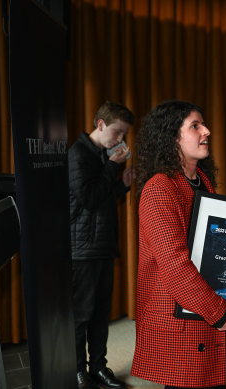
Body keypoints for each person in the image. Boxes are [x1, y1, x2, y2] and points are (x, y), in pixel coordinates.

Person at [131, 100, 226, 389]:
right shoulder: (159, 189)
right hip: (182, 320)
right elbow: (175, 266)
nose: (207, 131)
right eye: (195, 126)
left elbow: (206, 236)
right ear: (171, 135)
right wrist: (220, 311)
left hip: (201, 310)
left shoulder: (200, 180)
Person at [68, 101, 134, 389]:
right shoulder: (78, 154)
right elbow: (89, 200)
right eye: (118, 133)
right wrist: (112, 166)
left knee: (100, 312)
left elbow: (104, 198)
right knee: (81, 314)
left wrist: (124, 185)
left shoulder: (101, 155)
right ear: (101, 125)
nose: (120, 140)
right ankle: (77, 370)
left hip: (104, 244)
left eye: (124, 135)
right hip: (82, 248)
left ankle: (99, 367)